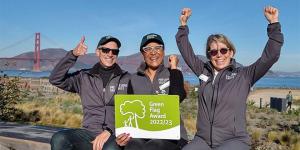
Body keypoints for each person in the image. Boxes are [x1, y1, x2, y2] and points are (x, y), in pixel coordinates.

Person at [176, 6, 283, 150]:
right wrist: (183, 26)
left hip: (234, 140)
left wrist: (274, 24)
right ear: (209, 55)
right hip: (202, 140)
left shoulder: (244, 75)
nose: (219, 55)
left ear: (231, 52)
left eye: (223, 50)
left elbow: (270, 56)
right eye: (213, 52)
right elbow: (187, 53)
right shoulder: (203, 72)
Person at [49, 35, 130, 150]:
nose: (110, 54)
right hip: (88, 133)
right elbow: (55, 79)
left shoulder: (128, 79)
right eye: (106, 50)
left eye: (114, 51)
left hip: (114, 134)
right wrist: (73, 55)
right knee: (59, 138)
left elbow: (133, 112)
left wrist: (110, 130)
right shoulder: (83, 77)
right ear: (97, 52)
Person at [116, 33, 188, 150]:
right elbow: (128, 112)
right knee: (132, 146)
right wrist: (123, 136)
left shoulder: (173, 74)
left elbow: (178, 96)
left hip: (172, 136)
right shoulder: (133, 79)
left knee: (154, 146)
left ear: (163, 51)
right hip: (142, 134)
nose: (153, 52)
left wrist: (174, 67)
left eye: (157, 47)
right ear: (143, 54)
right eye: (147, 49)